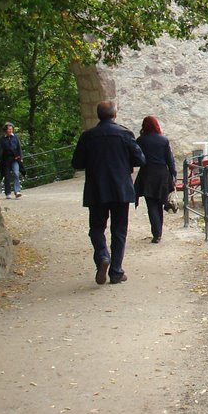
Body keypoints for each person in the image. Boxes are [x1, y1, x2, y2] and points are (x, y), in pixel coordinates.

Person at [71, 101, 145, 285]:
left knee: (96, 228)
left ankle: (103, 255)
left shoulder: (88, 136)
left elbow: (77, 163)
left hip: (97, 188)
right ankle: (116, 271)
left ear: (98, 115)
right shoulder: (125, 134)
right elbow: (140, 159)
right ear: (115, 115)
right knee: (119, 230)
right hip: (120, 188)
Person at [134, 116, 177, 243]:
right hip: (162, 174)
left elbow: (137, 159)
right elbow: (170, 160)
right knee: (160, 202)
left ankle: (156, 233)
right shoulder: (163, 140)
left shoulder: (140, 140)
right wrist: (173, 175)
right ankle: (158, 231)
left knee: (151, 204)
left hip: (147, 174)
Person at [0, 122, 24, 199]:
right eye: (9, 129)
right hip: (6, 160)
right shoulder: (2, 139)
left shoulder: (15, 137)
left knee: (16, 173)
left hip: (15, 159)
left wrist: (21, 158)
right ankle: (7, 192)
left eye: (11, 129)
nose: (11, 131)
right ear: (6, 130)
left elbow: (19, 148)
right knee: (7, 176)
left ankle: (17, 191)